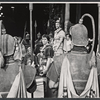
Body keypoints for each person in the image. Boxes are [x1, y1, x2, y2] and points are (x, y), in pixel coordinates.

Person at [47, 23, 99, 98]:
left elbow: (51, 85)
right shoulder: (95, 60)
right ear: (87, 41)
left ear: (71, 40)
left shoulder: (59, 60)